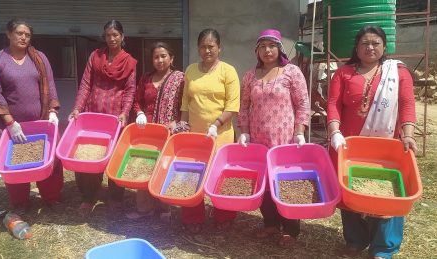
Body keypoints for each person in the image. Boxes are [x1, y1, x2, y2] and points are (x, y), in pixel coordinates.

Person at [327, 25, 417, 259]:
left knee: (387, 194)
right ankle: (356, 240)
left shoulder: (397, 72)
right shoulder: (344, 73)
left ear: (384, 47)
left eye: (375, 43)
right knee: (350, 192)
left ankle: (383, 247)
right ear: (356, 48)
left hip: (384, 146)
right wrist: (334, 131)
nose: (370, 47)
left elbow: (407, 104)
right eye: (364, 43)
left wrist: (407, 134)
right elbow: (334, 104)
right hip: (350, 145)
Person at [237, 29, 310, 246]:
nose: (267, 50)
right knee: (264, 182)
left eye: (272, 46)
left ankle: (291, 228)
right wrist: (244, 132)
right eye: (262, 46)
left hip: (285, 138)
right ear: (256, 51)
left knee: (285, 181)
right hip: (259, 140)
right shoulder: (250, 76)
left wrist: (299, 131)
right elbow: (243, 107)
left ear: (279, 48)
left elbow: (303, 103)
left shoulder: (292, 72)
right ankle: (270, 223)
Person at [0, 19, 63, 210]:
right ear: (8, 34)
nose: (23, 37)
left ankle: (51, 197)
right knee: (15, 162)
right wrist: (10, 122)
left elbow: (50, 84)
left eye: (27, 35)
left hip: (40, 122)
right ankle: (20, 202)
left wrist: (52, 111)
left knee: (48, 160)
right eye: (19, 33)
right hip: (13, 126)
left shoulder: (39, 58)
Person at [69, 20, 137, 216]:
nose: (112, 38)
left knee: (116, 157)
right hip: (94, 115)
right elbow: (85, 84)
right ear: (104, 37)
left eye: (116, 35)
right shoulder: (95, 56)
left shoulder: (129, 61)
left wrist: (125, 113)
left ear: (122, 37)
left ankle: (115, 198)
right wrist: (77, 108)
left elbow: (130, 90)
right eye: (108, 35)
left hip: (116, 118)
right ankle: (89, 197)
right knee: (91, 156)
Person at [175, 28, 240, 233]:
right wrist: (183, 126)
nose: (207, 50)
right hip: (195, 136)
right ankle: (193, 218)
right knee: (194, 176)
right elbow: (186, 101)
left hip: (221, 135)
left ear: (219, 48)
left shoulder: (228, 71)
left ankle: (224, 216)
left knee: (221, 176)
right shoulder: (191, 70)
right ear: (198, 48)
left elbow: (232, 105)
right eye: (203, 46)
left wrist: (215, 125)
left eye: (211, 46)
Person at [127, 42, 184, 220]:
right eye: (156, 57)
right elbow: (137, 101)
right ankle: (144, 208)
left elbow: (186, 105)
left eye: (163, 56)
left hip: (168, 132)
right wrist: (140, 113)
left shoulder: (180, 79)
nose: (159, 60)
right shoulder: (145, 78)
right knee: (145, 166)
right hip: (148, 132)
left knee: (165, 168)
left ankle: (165, 207)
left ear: (171, 58)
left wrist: (177, 123)